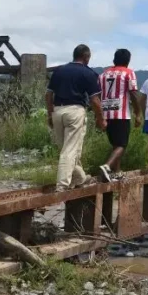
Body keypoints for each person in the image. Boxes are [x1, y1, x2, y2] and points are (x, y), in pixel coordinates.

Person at [45, 44, 105, 192]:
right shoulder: (87, 73)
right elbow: (95, 100)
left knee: (67, 149)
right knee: (70, 151)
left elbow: (48, 94)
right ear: (86, 57)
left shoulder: (59, 71)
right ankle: (62, 185)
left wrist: (49, 113)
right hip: (75, 111)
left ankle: (80, 178)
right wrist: (100, 118)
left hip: (57, 111)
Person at [97, 49, 142, 182]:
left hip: (106, 113)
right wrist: (138, 113)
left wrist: (98, 116)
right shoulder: (128, 73)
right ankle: (107, 166)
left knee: (115, 144)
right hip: (121, 114)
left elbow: (97, 95)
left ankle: (117, 172)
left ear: (114, 59)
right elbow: (133, 93)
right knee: (122, 144)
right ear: (128, 61)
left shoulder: (103, 74)